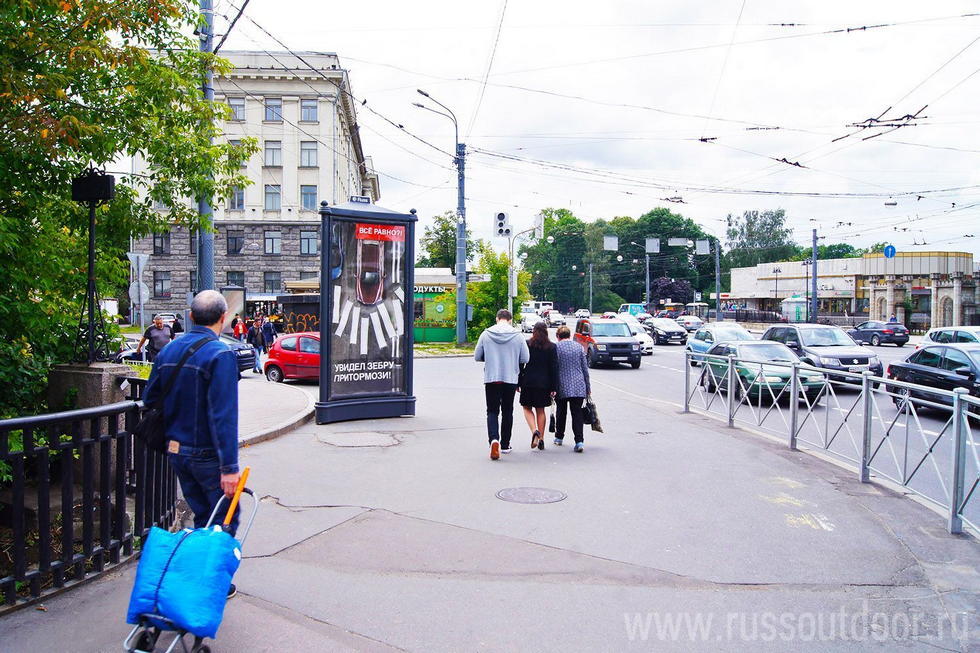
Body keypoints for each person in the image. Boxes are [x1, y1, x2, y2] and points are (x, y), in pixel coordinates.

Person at [141, 290, 241, 598]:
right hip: (208, 455)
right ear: (223, 318)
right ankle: (208, 582)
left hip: (176, 450)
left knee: (201, 514)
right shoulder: (220, 354)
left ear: (191, 316)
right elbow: (223, 416)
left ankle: (195, 575)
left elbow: (150, 399)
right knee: (225, 518)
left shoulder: (170, 350)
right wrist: (229, 468)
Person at [474, 309, 530, 460]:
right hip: (510, 378)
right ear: (510, 320)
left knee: (492, 411)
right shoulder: (518, 335)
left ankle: (494, 440)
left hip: (492, 378)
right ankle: (505, 445)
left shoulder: (486, 334)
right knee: (507, 411)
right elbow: (525, 357)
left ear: (497, 318)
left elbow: (477, 356)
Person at [518, 321, 558, 451]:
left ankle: (534, 430)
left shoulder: (527, 344)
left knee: (527, 408)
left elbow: (521, 363)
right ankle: (541, 439)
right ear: (546, 331)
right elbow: (554, 368)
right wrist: (554, 387)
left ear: (534, 331)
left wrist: (518, 382)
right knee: (540, 410)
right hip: (544, 383)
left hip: (528, 381)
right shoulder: (551, 347)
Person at [553, 325, 591, 453]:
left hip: (561, 385)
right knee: (577, 414)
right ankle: (579, 442)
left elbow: (554, 368)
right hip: (578, 385)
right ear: (569, 335)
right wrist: (588, 387)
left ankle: (559, 437)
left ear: (558, 336)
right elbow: (585, 369)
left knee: (561, 412)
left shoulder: (556, 348)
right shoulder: (579, 347)